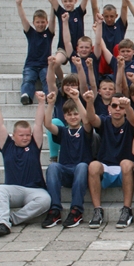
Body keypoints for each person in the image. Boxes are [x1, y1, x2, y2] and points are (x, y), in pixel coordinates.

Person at [0, 91, 51, 238]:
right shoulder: (7, 146)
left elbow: (38, 124)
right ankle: (2, 224)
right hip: (13, 189)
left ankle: (12, 219)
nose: (25, 138)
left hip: (34, 189)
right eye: (21, 135)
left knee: (45, 200)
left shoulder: (34, 145)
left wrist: (41, 102)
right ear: (14, 136)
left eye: (28, 135)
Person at [85, 91, 134, 229]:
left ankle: (127, 210)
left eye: (121, 107)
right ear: (109, 108)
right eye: (114, 106)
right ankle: (97, 210)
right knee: (93, 166)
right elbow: (92, 118)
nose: (117, 109)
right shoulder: (105, 121)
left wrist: (128, 107)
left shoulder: (130, 123)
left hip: (126, 169)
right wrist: (90, 102)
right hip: (107, 166)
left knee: (125, 163)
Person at [42, 88, 93, 229]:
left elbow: (87, 121)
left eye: (76, 114)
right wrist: (50, 104)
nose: (73, 117)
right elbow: (47, 124)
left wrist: (77, 99)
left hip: (81, 173)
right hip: (65, 171)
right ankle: (55, 210)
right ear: (64, 116)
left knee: (82, 166)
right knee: (53, 166)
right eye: (69, 114)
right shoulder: (63, 131)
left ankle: (76, 210)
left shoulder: (85, 131)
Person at [16, 0, 55, 105]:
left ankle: (49, 96)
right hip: (31, 64)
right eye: (38, 22)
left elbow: (53, 20)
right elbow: (23, 18)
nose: (40, 24)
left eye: (43, 22)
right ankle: (26, 95)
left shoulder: (49, 33)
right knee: (28, 79)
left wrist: (53, 6)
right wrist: (19, 5)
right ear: (33, 23)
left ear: (46, 22)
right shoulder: (30, 32)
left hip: (45, 65)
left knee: (47, 79)